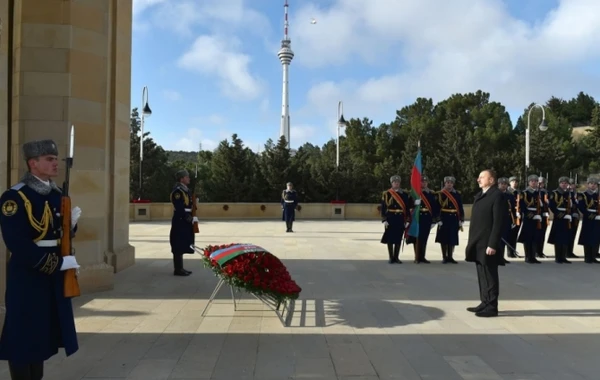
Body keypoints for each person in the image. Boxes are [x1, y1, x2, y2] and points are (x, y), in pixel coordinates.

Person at [0, 139, 81, 379]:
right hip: (28, 275)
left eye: (56, 159)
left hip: (53, 277)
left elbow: (58, 233)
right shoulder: (15, 197)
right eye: (49, 159)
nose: (56, 163)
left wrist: (71, 227)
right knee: (22, 335)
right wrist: (57, 264)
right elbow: (17, 243)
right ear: (33, 163)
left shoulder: (56, 194)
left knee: (41, 335)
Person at [465, 169, 507, 318]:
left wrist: (493, 244)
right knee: (482, 274)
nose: (478, 179)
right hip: (478, 242)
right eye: (479, 177)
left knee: (490, 275)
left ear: (492, 180)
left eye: (482, 177)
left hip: (488, 243)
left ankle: (492, 306)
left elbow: (498, 222)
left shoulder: (497, 196)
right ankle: (484, 301)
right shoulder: (481, 195)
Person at [380, 175, 413, 264]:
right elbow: (383, 207)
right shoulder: (387, 194)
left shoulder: (404, 194)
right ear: (392, 183)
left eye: (398, 182)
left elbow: (407, 208)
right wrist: (384, 219)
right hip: (390, 218)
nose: (396, 183)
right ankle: (391, 257)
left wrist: (408, 220)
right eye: (395, 182)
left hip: (400, 218)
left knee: (398, 238)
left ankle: (396, 257)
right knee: (390, 239)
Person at [406, 175, 439, 263]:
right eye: (422, 182)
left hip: (427, 218)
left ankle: (422, 256)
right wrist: (414, 203)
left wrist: (434, 220)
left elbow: (434, 207)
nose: (424, 183)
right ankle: (416, 256)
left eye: (425, 182)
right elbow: (408, 205)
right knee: (416, 237)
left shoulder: (431, 193)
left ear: (427, 183)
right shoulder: (415, 192)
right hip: (417, 217)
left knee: (424, 238)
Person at [169, 169, 196, 276]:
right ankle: (178, 269)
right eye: (187, 177)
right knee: (177, 242)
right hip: (180, 219)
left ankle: (180, 268)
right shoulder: (178, 191)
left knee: (183, 242)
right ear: (182, 179)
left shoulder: (185, 190)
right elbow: (179, 207)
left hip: (185, 219)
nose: (189, 178)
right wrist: (187, 217)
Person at [435, 176, 464, 264]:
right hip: (444, 218)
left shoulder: (457, 194)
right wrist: (438, 219)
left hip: (454, 218)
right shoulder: (440, 194)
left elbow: (460, 206)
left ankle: (450, 256)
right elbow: (437, 208)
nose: (449, 184)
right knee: (444, 238)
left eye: (451, 183)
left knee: (452, 237)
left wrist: (461, 219)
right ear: (445, 183)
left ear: (453, 184)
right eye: (448, 183)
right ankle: (444, 256)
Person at [517, 174, 542, 264]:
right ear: (529, 182)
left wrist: (539, 214)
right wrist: (530, 214)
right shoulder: (524, 193)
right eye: (532, 181)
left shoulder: (537, 193)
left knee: (535, 237)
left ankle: (533, 256)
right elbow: (522, 206)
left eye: (535, 181)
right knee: (528, 238)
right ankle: (528, 256)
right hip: (528, 217)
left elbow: (540, 206)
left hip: (536, 216)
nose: (534, 183)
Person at [547, 177, 573, 264]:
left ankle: (563, 257)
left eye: (565, 183)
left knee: (565, 238)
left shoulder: (569, 193)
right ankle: (558, 257)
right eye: (562, 183)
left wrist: (570, 214)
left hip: (567, 218)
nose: (564, 184)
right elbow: (552, 205)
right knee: (558, 238)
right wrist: (561, 215)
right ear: (559, 183)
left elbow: (572, 205)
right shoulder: (554, 193)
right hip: (559, 218)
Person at [576, 176, 600, 263]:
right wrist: (590, 215)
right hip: (588, 218)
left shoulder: (598, 195)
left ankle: (593, 257)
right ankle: (587, 257)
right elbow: (581, 207)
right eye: (591, 184)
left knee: (596, 237)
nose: (593, 185)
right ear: (588, 184)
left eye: (595, 184)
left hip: (598, 219)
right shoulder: (583, 195)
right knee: (587, 237)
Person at [496, 177, 515, 264]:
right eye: (501, 184)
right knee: (497, 239)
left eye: (505, 184)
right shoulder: (495, 194)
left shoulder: (510, 195)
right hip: (497, 219)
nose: (503, 185)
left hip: (506, 219)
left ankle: (501, 257)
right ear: (498, 184)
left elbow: (513, 208)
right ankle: (495, 257)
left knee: (504, 238)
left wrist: (513, 220)